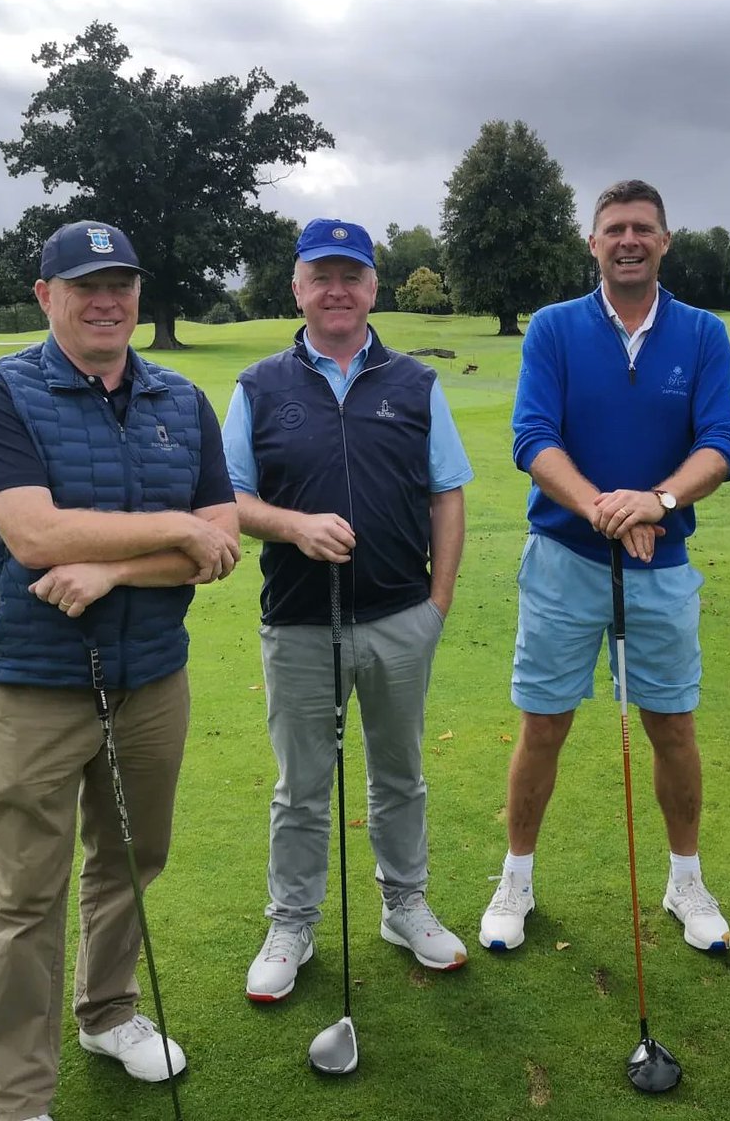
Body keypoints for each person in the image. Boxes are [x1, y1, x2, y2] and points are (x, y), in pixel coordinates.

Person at [0, 220, 240, 1121]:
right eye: (85, 285)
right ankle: (21, 1097)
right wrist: (179, 530)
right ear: (47, 297)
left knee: (130, 856)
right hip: (31, 683)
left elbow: (222, 542)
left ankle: (107, 1012)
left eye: (121, 282)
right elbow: (34, 534)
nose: (107, 299)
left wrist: (119, 566)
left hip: (152, 674)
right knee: (25, 895)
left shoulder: (179, 399)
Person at [479, 179, 730, 954]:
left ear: (666, 241)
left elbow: (722, 444)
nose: (628, 240)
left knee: (671, 724)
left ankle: (685, 879)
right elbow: (533, 438)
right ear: (592, 243)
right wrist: (604, 508)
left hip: (662, 565)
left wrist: (656, 502)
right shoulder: (556, 329)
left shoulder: (701, 333)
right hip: (565, 558)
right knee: (545, 723)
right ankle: (517, 879)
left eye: (643, 228)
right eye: (613, 229)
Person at [224, 217, 473, 998]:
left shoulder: (415, 384)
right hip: (298, 623)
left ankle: (405, 905)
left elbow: (447, 492)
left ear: (372, 289)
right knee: (302, 784)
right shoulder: (259, 387)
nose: (337, 289)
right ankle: (292, 921)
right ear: (297, 288)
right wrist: (292, 525)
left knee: (400, 776)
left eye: (352, 275)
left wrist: (437, 602)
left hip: (401, 617)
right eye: (321, 276)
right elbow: (226, 499)